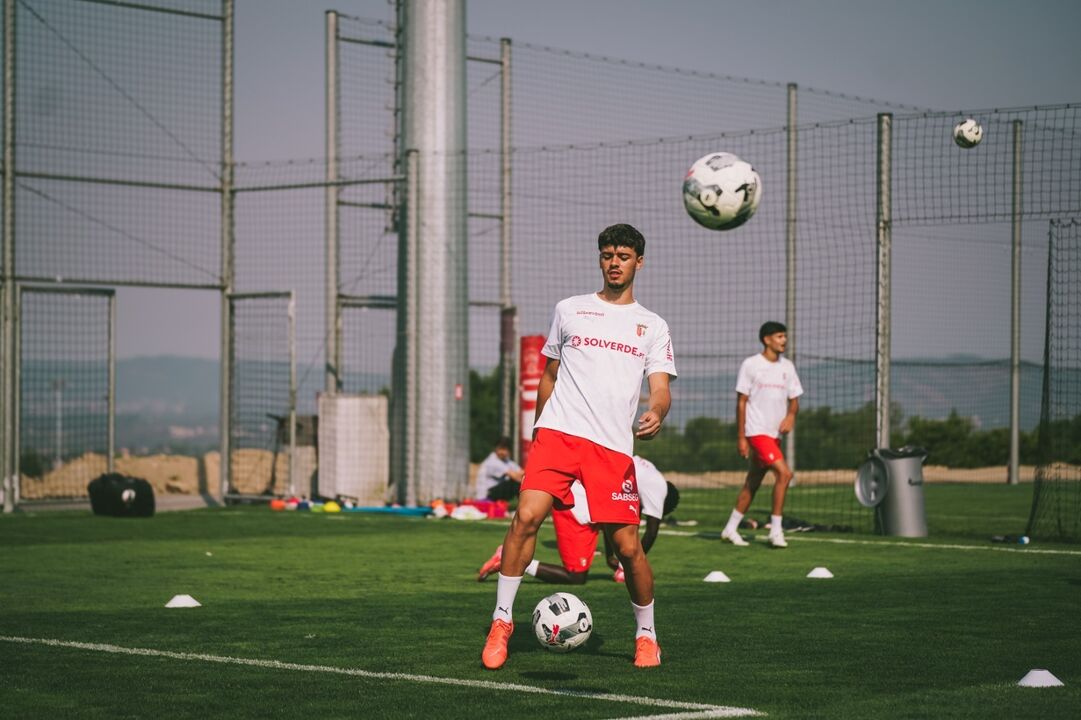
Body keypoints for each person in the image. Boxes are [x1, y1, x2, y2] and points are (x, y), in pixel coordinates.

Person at [480, 223, 677, 670]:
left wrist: (657, 412)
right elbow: (548, 375)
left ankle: (646, 635)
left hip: (610, 447)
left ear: (638, 262)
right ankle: (501, 621)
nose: (614, 262)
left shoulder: (653, 325)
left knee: (627, 547)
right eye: (607, 254)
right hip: (558, 433)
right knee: (526, 516)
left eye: (623, 256)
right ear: (599, 258)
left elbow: (660, 389)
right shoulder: (570, 310)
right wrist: (538, 429)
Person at [476, 455, 680, 584]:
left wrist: (613, 559)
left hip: (586, 499)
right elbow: (651, 532)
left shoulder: (650, 470)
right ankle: (510, 559)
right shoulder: (658, 489)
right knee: (576, 576)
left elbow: (612, 517)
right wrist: (628, 567)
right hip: (577, 506)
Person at [721, 321, 803, 549]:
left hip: (774, 435)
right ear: (767, 340)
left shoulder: (788, 367)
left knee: (752, 483)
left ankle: (730, 528)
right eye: (779, 336)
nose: (783, 340)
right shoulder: (751, 365)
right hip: (756, 432)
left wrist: (790, 416)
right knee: (785, 475)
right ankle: (775, 531)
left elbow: (795, 401)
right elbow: (741, 402)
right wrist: (741, 437)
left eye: (785, 336)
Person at [475, 436, 525, 501]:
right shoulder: (492, 461)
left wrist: (522, 474)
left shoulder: (506, 461)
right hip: (486, 496)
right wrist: (521, 475)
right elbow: (516, 477)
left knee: (521, 482)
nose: (501, 452)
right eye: (500, 449)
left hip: (495, 492)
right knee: (515, 484)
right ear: (495, 449)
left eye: (504, 450)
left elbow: (522, 472)